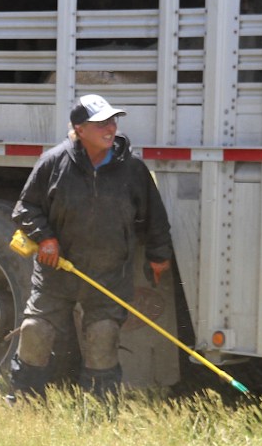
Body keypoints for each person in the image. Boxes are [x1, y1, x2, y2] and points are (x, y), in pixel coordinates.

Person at [10, 94, 175, 399]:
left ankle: (100, 412)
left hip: (108, 275)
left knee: (103, 336)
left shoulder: (133, 168)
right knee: (36, 331)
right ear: (79, 129)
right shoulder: (53, 162)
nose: (110, 128)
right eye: (101, 124)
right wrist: (45, 238)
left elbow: (155, 216)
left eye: (112, 121)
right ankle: (23, 404)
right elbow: (25, 208)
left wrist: (158, 255)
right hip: (56, 273)